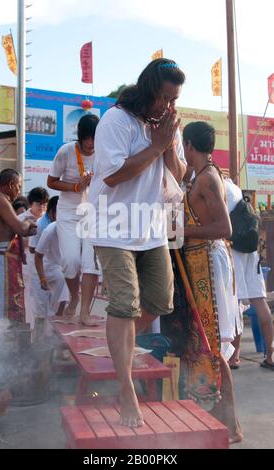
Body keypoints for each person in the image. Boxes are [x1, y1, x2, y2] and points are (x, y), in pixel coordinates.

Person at [86, 59, 186, 427]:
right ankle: (125, 388)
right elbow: (113, 175)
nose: (168, 106)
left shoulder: (165, 127)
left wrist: (169, 145)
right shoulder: (116, 120)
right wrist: (158, 146)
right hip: (112, 227)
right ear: (148, 90)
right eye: (163, 97)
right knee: (125, 304)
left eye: (174, 99)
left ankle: (119, 343)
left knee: (160, 300)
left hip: (151, 228)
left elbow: (176, 175)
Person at [179, 121, 242, 443]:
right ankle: (221, 417)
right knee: (206, 343)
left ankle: (231, 423)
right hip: (199, 262)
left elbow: (223, 228)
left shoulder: (207, 178)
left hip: (210, 262)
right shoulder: (198, 176)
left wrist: (179, 232)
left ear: (189, 145)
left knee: (212, 344)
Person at [47, 114, 102, 326]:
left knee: (91, 264)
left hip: (94, 213)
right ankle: (74, 296)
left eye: (94, 138)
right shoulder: (66, 151)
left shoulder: (105, 152)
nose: (90, 143)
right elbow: (51, 181)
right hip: (69, 211)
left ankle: (85, 312)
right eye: (86, 138)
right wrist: (74, 186)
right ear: (79, 137)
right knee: (70, 261)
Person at [225, 178, 274, 370]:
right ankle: (271, 355)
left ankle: (234, 356)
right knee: (258, 299)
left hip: (233, 247)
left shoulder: (208, 181)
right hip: (250, 249)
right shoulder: (234, 187)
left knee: (234, 302)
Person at [0, 169, 36, 321]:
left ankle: (2, 342)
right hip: (1, 262)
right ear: (10, 184)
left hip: (4, 261)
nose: (19, 190)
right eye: (19, 186)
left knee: (3, 307)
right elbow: (21, 229)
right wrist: (28, 221)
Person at [18, 187, 49, 330]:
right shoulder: (21, 219)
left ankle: (45, 332)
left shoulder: (48, 219)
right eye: (39, 203)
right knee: (29, 298)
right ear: (31, 203)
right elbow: (18, 242)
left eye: (44, 203)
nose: (42, 207)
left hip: (45, 264)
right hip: (27, 264)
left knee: (45, 299)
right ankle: (30, 330)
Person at [34, 221, 69, 339]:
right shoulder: (49, 230)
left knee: (58, 303)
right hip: (45, 269)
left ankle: (55, 330)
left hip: (61, 270)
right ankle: (38, 340)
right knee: (40, 310)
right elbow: (37, 255)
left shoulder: (75, 228)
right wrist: (42, 277)